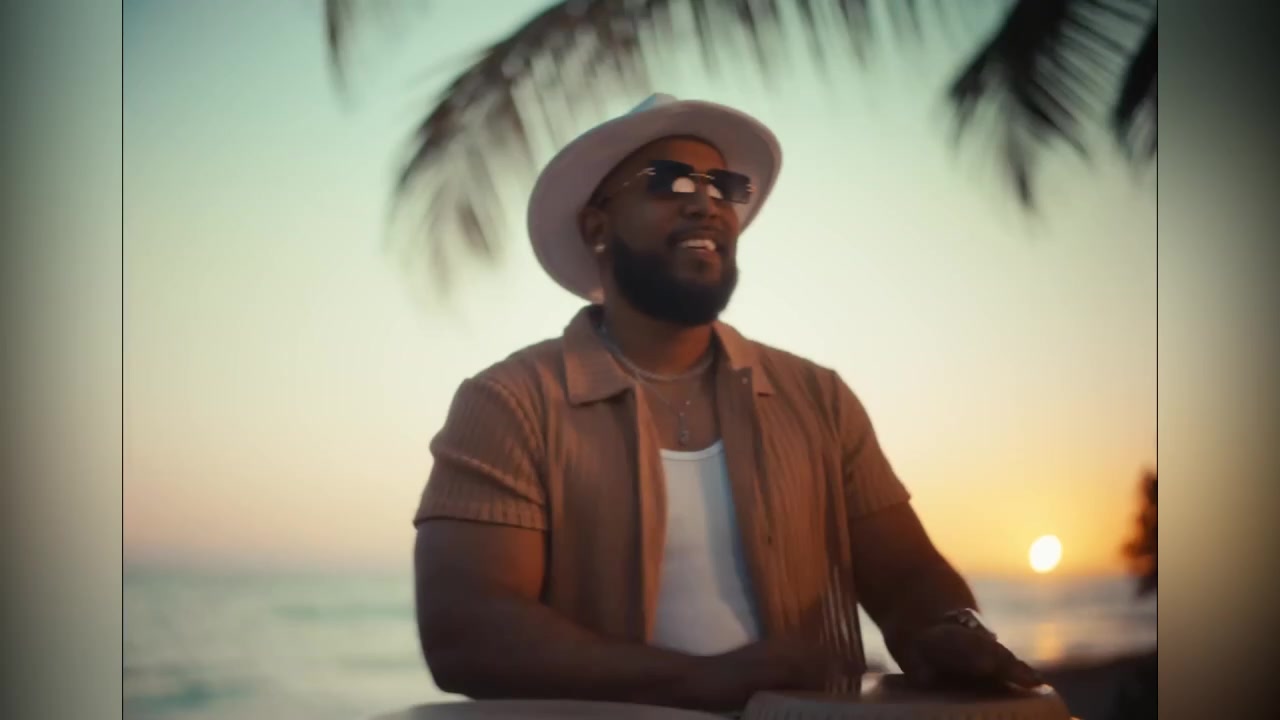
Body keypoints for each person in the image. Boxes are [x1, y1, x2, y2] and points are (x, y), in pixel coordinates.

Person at [410, 94, 1042, 714]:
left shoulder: (817, 398)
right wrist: (704, 682)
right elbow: (466, 632)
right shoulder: (511, 404)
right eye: (670, 182)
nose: (706, 204)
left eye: (724, 188)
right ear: (598, 227)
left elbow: (906, 575)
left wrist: (947, 630)